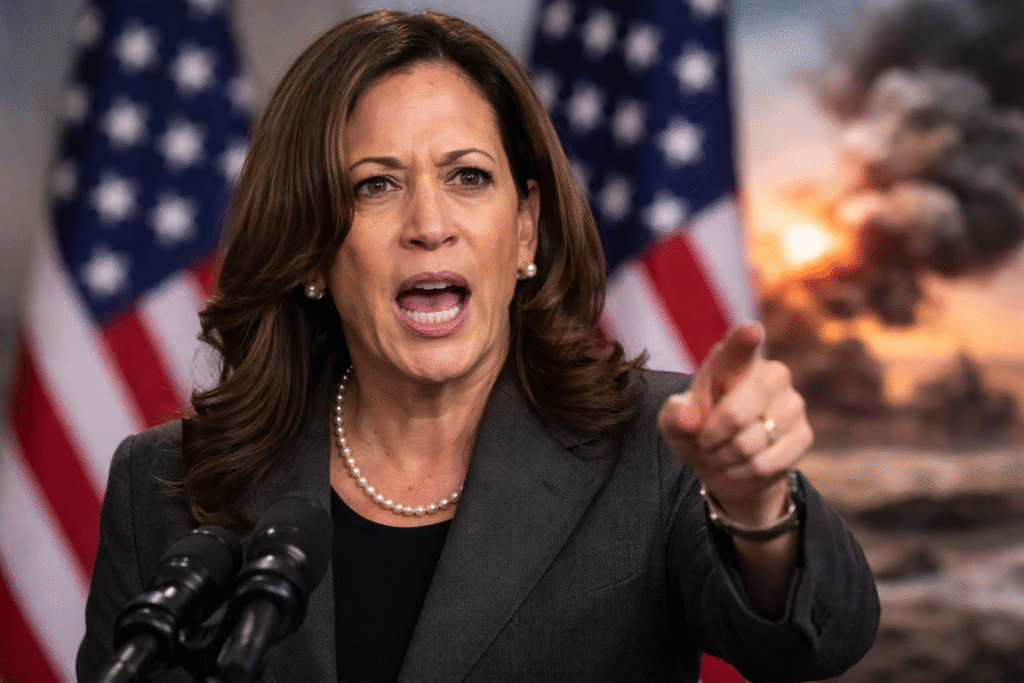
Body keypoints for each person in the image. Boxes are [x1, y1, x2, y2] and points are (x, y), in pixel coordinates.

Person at [77, 9, 879, 683]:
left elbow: (818, 641)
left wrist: (757, 507)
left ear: (525, 228)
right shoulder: (163, 485)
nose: (430, 224)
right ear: (312, 250)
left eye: (467, 176)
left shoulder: (659, 446)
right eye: (375, 185)